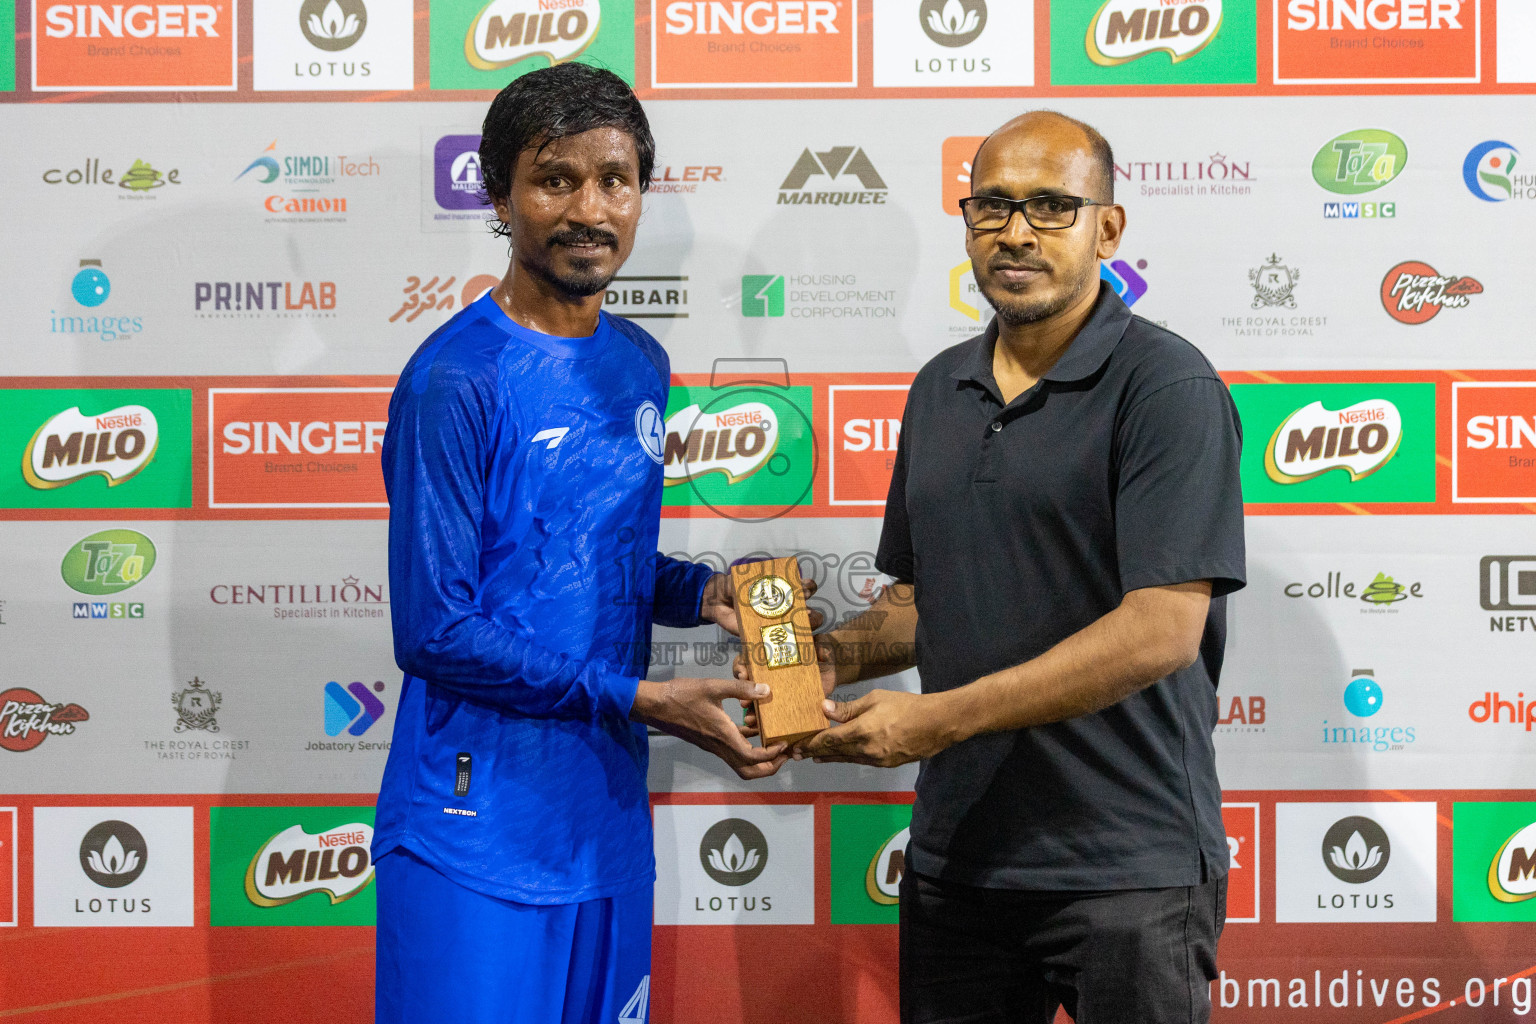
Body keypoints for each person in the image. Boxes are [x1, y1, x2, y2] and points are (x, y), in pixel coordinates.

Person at [788, 112, 1247, 1023]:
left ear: (1107, 228)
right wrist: (812, 662)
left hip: (1128, 868)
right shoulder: (939, 387)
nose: (1016, 232)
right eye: (992, 206)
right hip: (961, 863)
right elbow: (925, 604)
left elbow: (1162, 628)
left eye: (1049, 206)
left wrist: (938, 721)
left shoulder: (1167, 387)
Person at [373, 64, 789, 1024]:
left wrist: (699, 595)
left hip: (601, 825)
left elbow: (569, 554)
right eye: (554, 179)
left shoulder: (640, 361)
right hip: (473, 836)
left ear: (642, 194)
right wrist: (641, 698)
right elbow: (436, 631)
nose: (588, 209)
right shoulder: (455, 381)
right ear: (498, 195)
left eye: (615, 179)